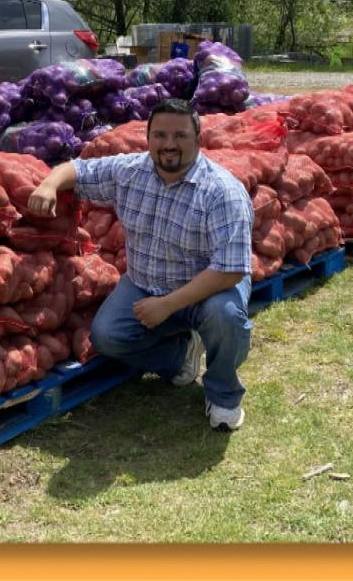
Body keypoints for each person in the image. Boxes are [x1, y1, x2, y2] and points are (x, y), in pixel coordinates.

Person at [27, 98, 254, 431]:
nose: (169, 144)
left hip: (208, 287)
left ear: (197, 139)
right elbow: (78, 168)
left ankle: (223, 395)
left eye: (179, 136)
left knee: (226, 317)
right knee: (106, 337)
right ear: (147, 139)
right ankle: (180, 356)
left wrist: (167, 305)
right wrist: (48, 184)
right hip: (144, 282)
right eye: (160, 135)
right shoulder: (130, 171)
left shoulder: (222, 191)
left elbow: (230, 270)